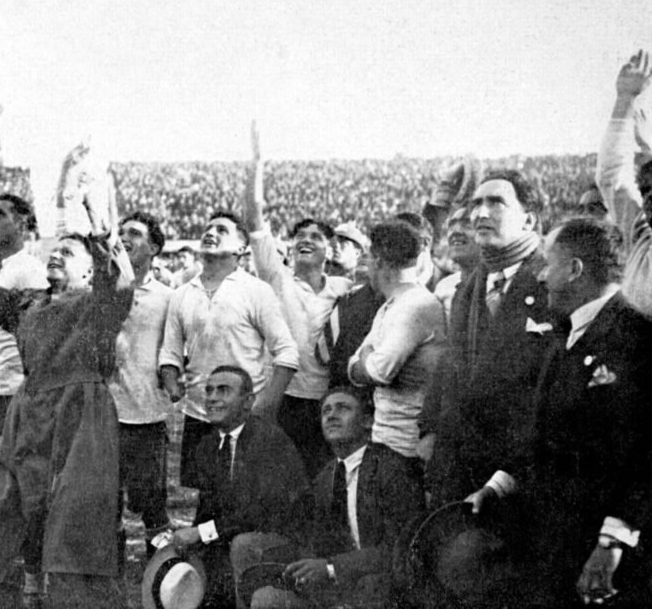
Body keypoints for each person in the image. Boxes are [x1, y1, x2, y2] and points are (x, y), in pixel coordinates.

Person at [0, 162, 135, 608]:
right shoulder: (26, 305)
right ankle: (14, 594)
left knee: (74, 524)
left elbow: (121, 280)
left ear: (89, 272)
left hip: (81, 418)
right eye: (56, 251)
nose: (56, 255)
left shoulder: (98, 308)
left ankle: (76, 598)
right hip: (29, 412)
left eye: (69, 254)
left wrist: (97, 225)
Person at [486, 218, 652, 606]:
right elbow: (545, 430)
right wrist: (499, 484)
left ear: (575, 270)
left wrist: (614, 538)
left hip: (602, 549)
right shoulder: (566, 332)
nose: (541, 277)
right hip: (555, 536)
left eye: (548, 263)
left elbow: (645, 453)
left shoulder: (636, 338)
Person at [422, 170, 552, 506]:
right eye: (476, 203)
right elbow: (455, 369)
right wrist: (431, 432)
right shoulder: (471, 285)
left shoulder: (552, 280)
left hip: (529, 474)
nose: (480, 213)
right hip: (469, 467)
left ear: (528, 221)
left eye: (496, 203)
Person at [241, 386, 424, 609]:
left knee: (371, 586)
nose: (331, 415)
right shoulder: (325, 478)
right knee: (265, 598)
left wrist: (332, 567)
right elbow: (314, 540)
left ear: (367, 421)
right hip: (340, 586)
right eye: (326, 411)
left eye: (343, 408)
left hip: (382, 587)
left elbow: (401, 548)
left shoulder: (391, 468)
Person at [159, 210, 298, 489]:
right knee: (207, 496)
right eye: (208, 228)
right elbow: (170, 353)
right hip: (199, 413)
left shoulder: (256, 291)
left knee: (246, 498)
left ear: (241, 248)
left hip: (244, 416)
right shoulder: (181, 294)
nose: (210, 233)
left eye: (221, 230)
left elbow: (287, 353)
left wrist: (263, 404)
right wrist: (173, 385)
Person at [244, 143, 352, 477]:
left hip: (325, 398)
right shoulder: (277, 279)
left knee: (322, 476)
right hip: (283, 396)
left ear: (329, 249)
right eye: (300, 235)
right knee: (280, 476)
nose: (306, 239)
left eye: (316, 236)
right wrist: (257, 165)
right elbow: (254, 221)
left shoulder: (344, 289)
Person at [166, 366, 310, 609]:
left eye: (223, 391)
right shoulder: (208, 445)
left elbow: (261, 513)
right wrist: (191, 539)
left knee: (242, 545)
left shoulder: (269, 440)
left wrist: (202, 533)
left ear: (248, 401)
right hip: (234, 537)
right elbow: (208, 511)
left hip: (286, 543)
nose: (212, 398)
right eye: (209, 391)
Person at [348, 221, 446, 459]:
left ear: (379, 260)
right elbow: (353, 370)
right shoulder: (391, 305)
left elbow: (378, 372)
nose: (367, 265)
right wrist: (367, 359)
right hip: (385, 442)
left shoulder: (417, 305)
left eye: (369, 258)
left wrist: (367, 355)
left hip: (406, 451)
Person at [109, 211, 174, 562]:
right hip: (103, 414)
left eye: (133, 233)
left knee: (152, 506)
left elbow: (177, 352)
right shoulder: (99, 289)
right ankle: (111, 577)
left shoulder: (167, 298)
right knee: (106, 504)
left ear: (154, 247)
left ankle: (162, 576)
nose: (123, 238)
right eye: (120, 232)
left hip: (146, 416)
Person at [0, 194, 48, 455]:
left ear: (21, 224)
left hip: (17, 392)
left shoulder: (29, 270)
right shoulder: (5, 269)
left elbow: (41, 336)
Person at [595, 49, 652, 317]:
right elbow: (612, 178)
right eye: (646, 191)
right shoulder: (643, 240)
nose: (649, 198)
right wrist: (624, 101)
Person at [433, 206, 480, 321]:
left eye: (467, 224)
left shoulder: (497, 284)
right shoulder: (444, 288)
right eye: (451, 225)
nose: (456, 231)